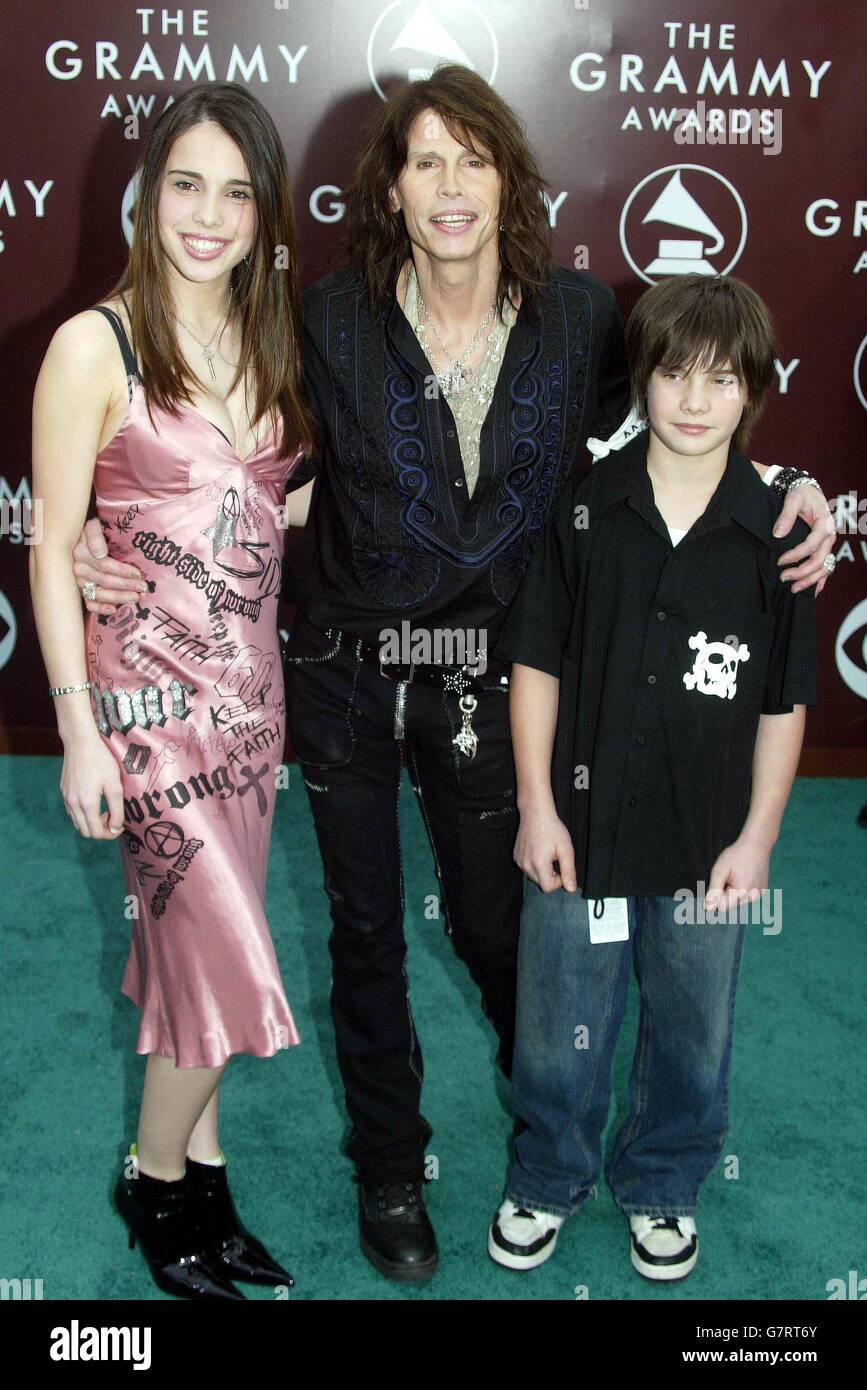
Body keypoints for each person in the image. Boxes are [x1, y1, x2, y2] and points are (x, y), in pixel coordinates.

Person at [71, 66, 835, 1284]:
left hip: (492, 680)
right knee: (366, 934)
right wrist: (100, 538)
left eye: (472, 157)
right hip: (344, 671)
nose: (449, 184)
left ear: (508, 178)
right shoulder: (327, 321)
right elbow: (232, 460)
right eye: (423, 159)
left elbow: (688, 404)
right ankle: (390, 1169)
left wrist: (788, 485)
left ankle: (562, 1131)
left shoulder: (582, 319)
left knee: (498, 926)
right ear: (391, 186)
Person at [30, 82, 314, 1300]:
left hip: (252, 707)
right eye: (186, 184)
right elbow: (50, 543)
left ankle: (205, 1182)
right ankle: (154, 1184)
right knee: (230, 954)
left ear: (264, 212)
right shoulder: (96, 343)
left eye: (236, 192)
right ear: (152, 193)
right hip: (145, 716)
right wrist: (76, 729)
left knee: (191, 950)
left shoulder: (271, 332)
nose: (207, 215)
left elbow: (279, 501)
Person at [487, 274, 818, 1281]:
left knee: (693, 1024)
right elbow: (536, 662)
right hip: (579, 831)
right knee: (557, 1018)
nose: (694, 397)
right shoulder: (585, 509)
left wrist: (757, 836)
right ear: (643, 378)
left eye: (722, 379)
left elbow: (784, 704)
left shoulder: (778, 538)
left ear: (755, 391)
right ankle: (547, 1173)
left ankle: (667, 1179)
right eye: (675, 371)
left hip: (707, 841)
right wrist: (537, 805)